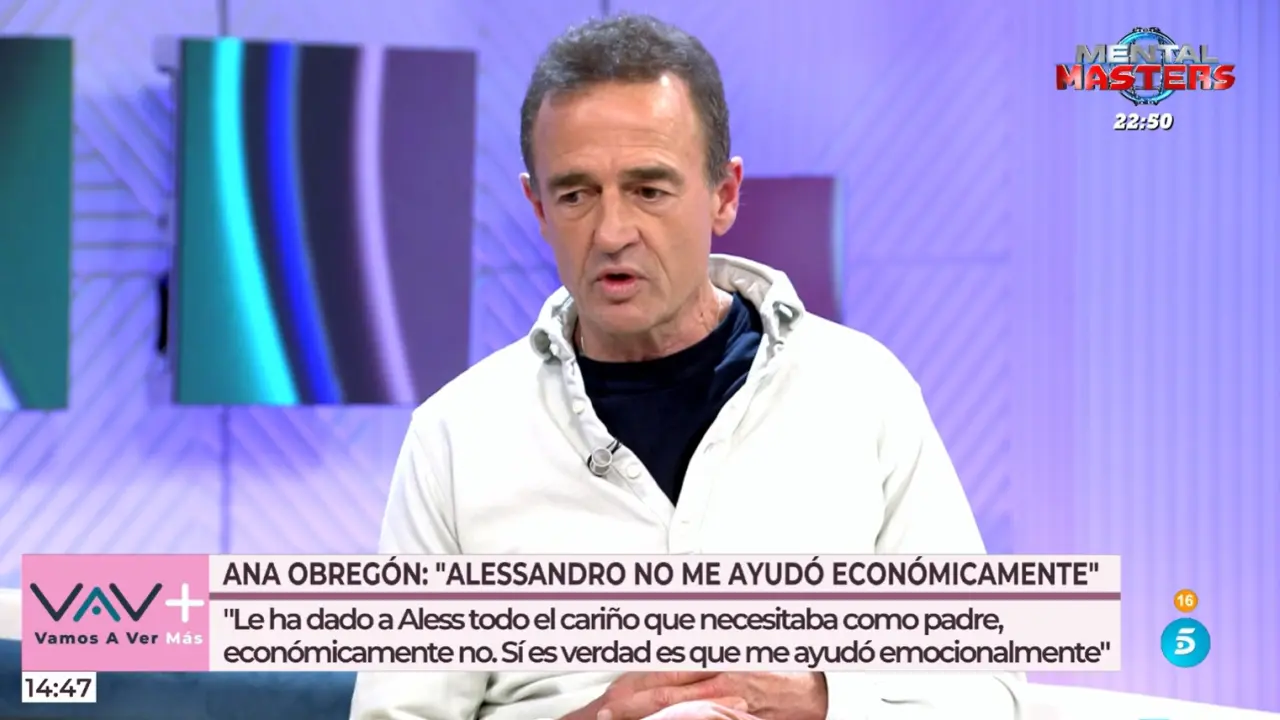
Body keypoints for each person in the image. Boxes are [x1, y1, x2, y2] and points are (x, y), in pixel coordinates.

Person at [350, 13, 1023, 720]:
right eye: (576, 194)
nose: (612, 233)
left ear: (724, 194)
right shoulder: (455, 437)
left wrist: (818, 705)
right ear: (538, 208)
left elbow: (984, 693)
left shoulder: (861, 392)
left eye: (649, 189)